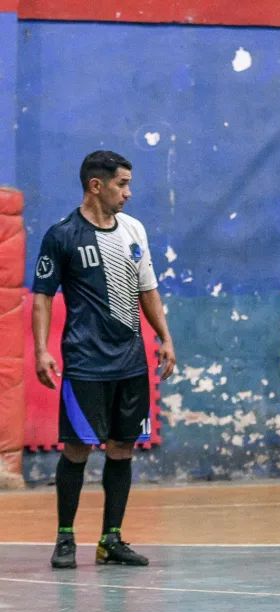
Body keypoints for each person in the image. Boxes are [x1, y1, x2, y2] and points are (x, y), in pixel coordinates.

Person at [31, 150, 176, 569]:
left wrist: (165, 337)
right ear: (97, 185)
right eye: (122, 184)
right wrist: (42, 349)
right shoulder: (62, 236)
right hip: (86, 364)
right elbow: (42, 296)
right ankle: (65, 539)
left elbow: (146, 288)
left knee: (122, 448)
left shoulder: (134, 231)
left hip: (131, 363)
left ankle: (110, 539)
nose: (128, 193)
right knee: (77, 449)